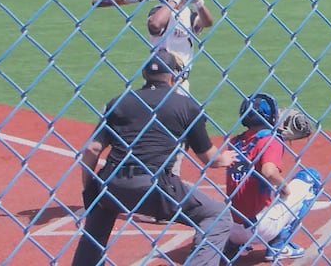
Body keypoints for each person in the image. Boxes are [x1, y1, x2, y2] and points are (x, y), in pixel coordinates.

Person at [72, 49, 237, 266]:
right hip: (156, 187)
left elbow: (93, 149)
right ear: (172, 77)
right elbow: (210, 159)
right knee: (218, 215)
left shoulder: (118, 102)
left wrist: (90, 188)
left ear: (144, 76)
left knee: (99, 215)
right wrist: (224, 158)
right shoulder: (186, 106)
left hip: (111, 184)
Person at [223, 94, 323, 262]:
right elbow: (268, 171)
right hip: (261, 227)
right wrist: (283, 187)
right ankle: (278, 245)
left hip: (231, 229)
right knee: (311, 177)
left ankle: (234, 245)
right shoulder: (270, 139)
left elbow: (248, 167)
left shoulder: (235, 141)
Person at [147, 0, 214, 95]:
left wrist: (198, 3)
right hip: (160, 80)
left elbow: (207, 22)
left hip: (181, 82)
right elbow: (155, 25)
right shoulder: (158, 12)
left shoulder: (186, 13)